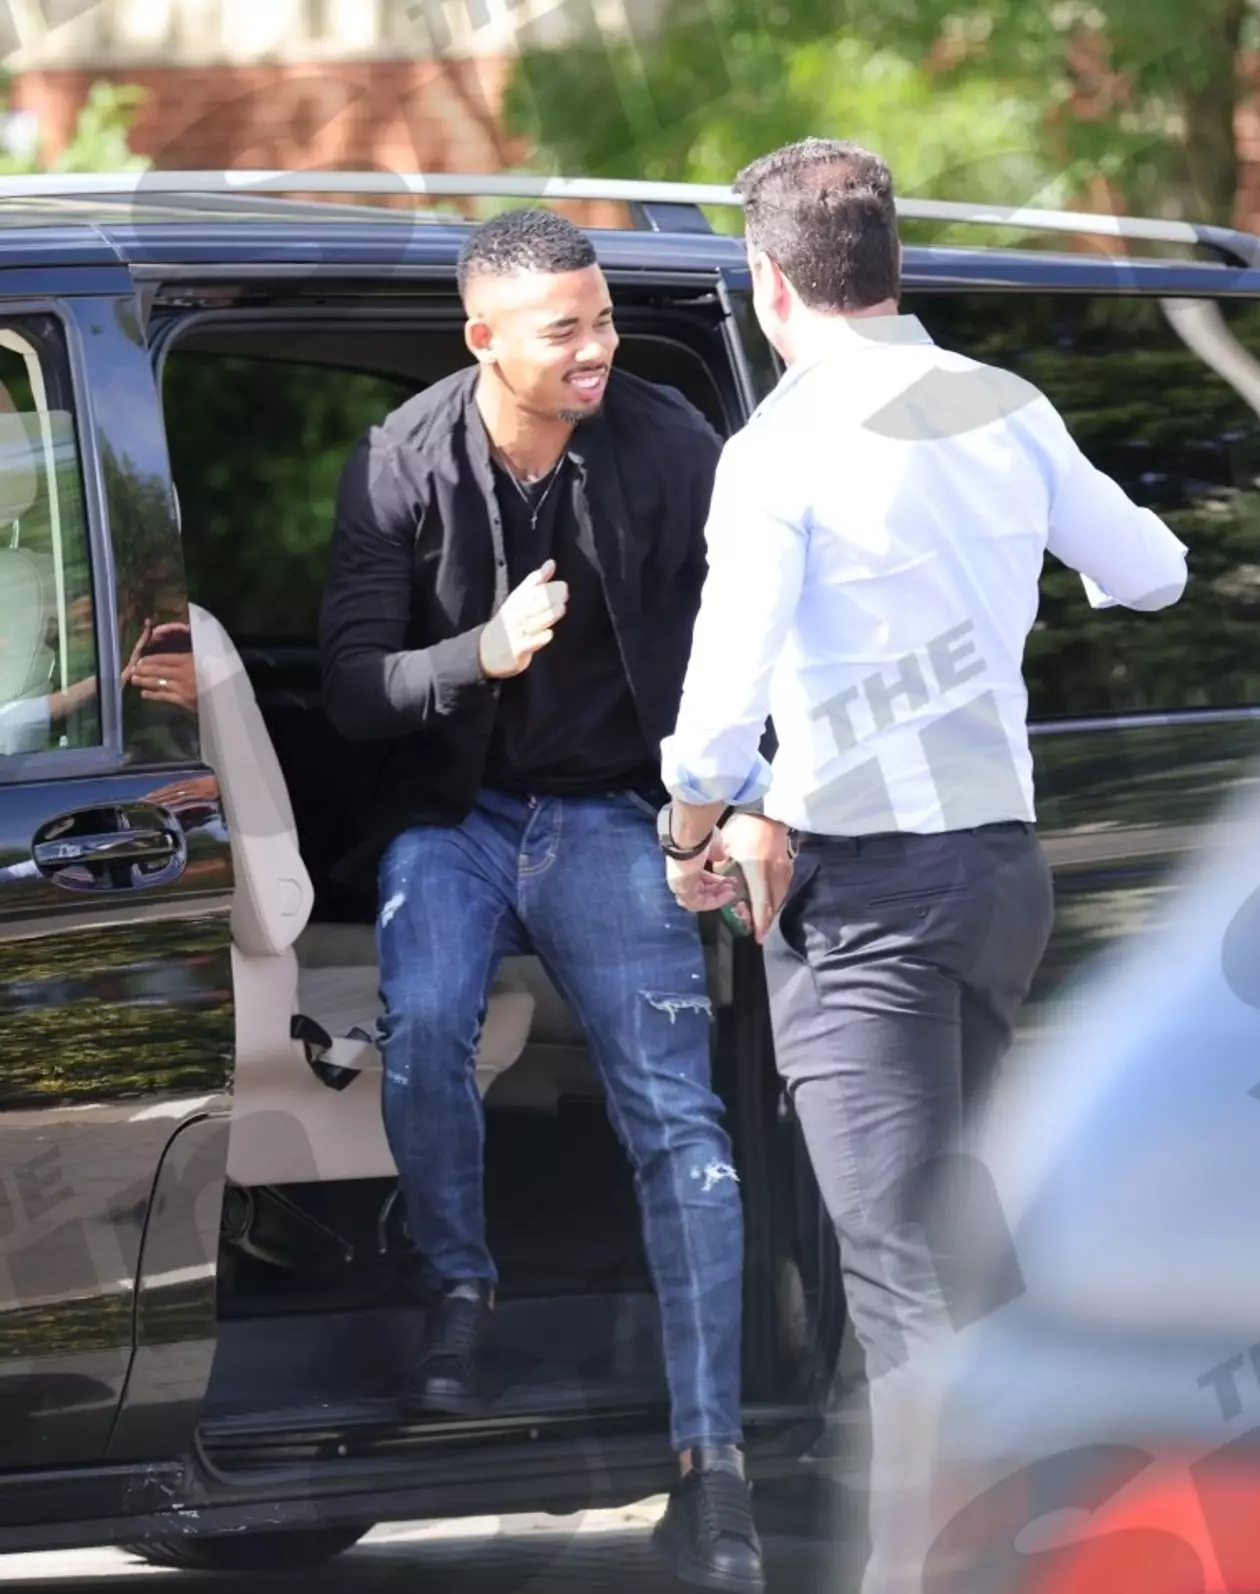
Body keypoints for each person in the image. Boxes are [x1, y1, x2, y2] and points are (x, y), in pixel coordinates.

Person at [654, 138, 1190, 1589]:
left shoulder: (781, 447)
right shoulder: (1003, 406)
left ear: (769, 285)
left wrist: (696, 828)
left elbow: (718, 709)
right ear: (892, 266)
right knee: (964, 1254)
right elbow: (1153, 570)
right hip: (1001, 874)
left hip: (867, 900)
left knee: (905, 1286)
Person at [317, 207, 766, 1593]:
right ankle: (459, 1277)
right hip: (454, 820)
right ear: (484, 340)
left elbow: (752, 629)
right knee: (428, 1015)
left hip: (609, 814)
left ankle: (715, 1465)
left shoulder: (669, 441)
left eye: (606, 319)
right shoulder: (400, 460)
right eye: (566, 327)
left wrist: (738, 801)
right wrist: (479, 650)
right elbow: (350, 688)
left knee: (679, 1122)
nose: (597, 347)